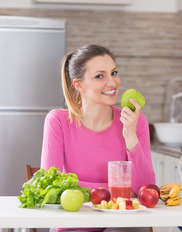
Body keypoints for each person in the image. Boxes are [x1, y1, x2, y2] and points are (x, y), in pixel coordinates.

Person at [41, 44, 156, 232]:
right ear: (79, 85)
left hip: (121, 223)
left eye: (114, 73)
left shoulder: (135, 121)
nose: (112, 83)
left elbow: (146, 189)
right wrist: (120, 192)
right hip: (74, 224)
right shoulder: (58, 121)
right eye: (99, 76)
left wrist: (130, 137)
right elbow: (51, 185)